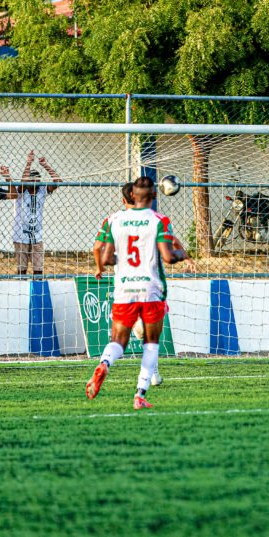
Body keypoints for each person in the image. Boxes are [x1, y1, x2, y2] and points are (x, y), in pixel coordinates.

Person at [86, 176, 194, 410]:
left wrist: (108, 264)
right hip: (151, 289)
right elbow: (167, 255)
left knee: (118, 340)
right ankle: (140, 394)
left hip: (124, 288)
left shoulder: (114, 220)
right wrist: (182, 255)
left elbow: (104, 256)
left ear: (129, 196)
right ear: (154, 197)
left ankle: (105, 363)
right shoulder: (158, 220)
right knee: (151, 343)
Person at [11, 151, 62, 277]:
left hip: (37, 236)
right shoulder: (21, 191)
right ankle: (21, 290)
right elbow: (22, 183)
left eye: (37, 179)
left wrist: (45, 165)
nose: (34, 181)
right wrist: (28, 163)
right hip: (20, 235)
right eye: (31, 179)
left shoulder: (42, 191)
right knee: (22, 270)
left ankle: (37, 291)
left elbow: (58, 181)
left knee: (38, 271)